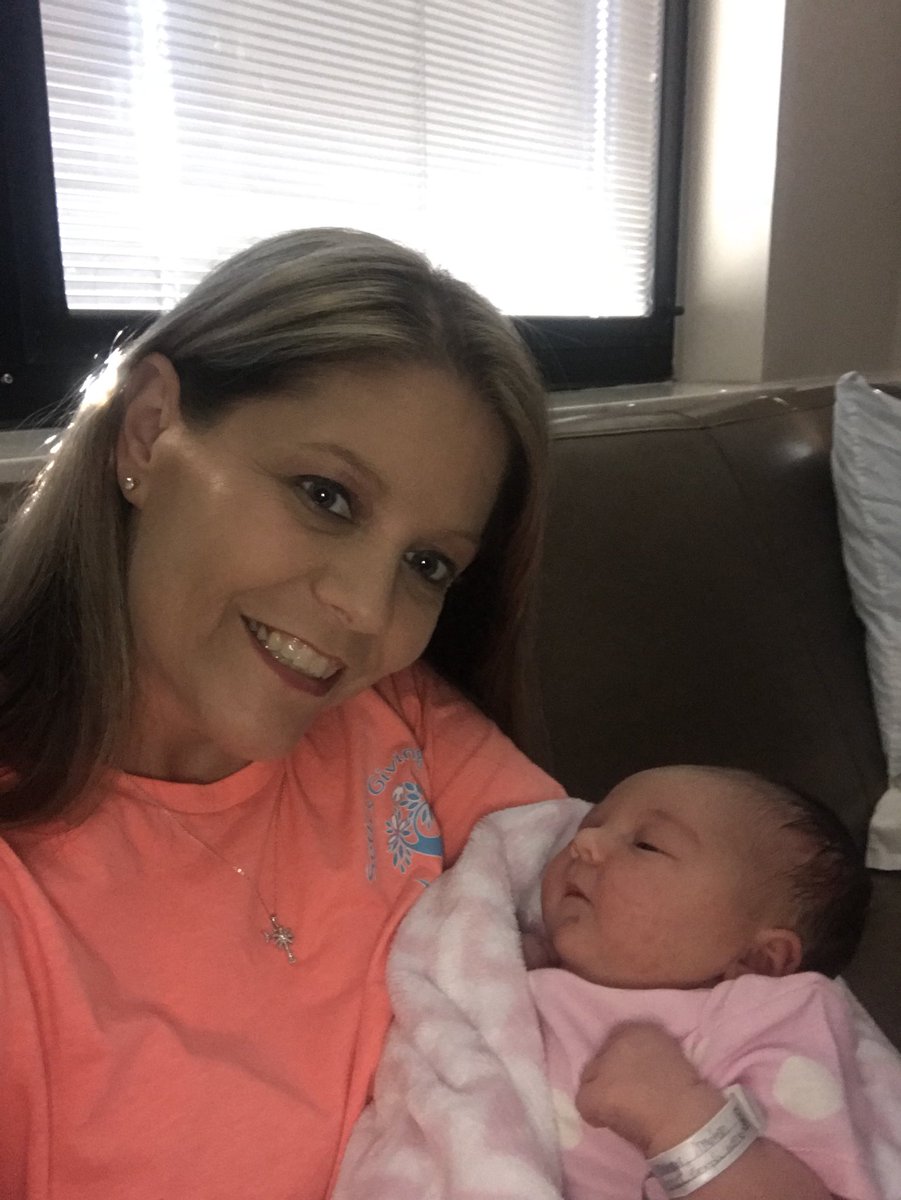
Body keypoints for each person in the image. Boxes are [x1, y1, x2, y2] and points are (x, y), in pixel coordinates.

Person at [0, 228, 566, 1199]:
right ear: (148, 431)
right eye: (326, 496)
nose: (368, 611)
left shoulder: (402, 718)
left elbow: (659, 945)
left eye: (426, 563)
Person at [534, 764, 881, 1200]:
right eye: (589, 825)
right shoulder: (506, 951)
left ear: (758, 960)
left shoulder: (764, 1023)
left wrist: (679, 1120)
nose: (585, 842)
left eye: (647, 845)